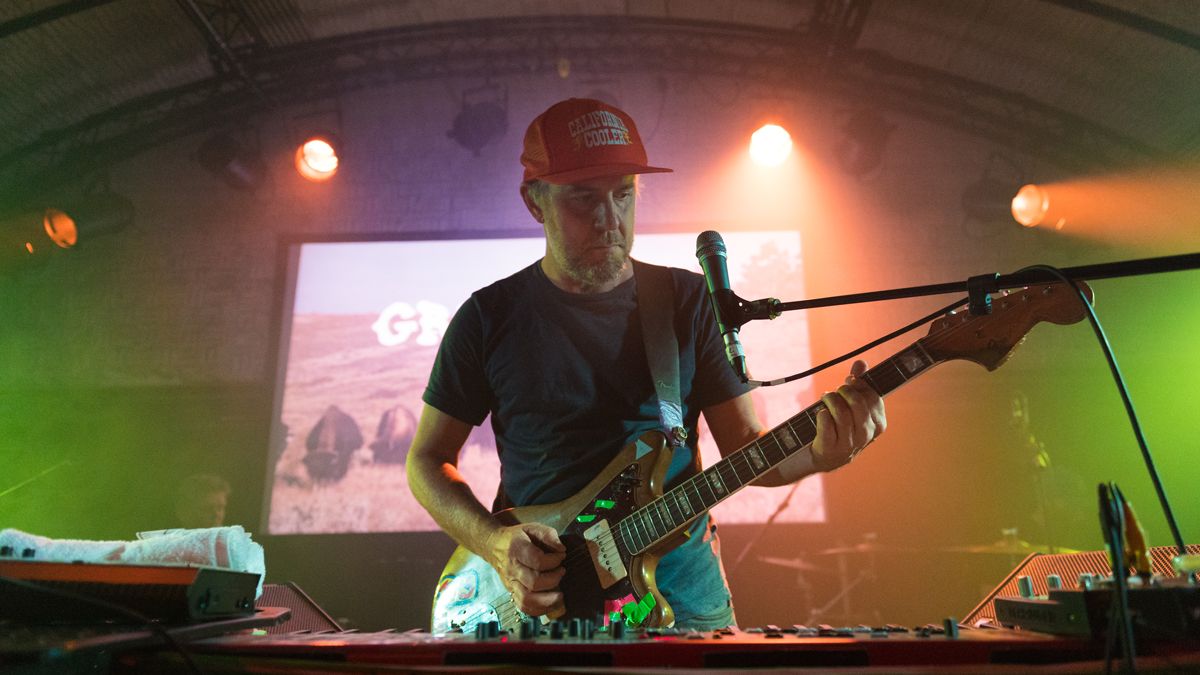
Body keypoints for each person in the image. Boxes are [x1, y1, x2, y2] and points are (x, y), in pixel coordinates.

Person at [407, 98, 886, 630]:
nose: (608, 219)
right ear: (535, 203)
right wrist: (494, 543)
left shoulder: (685, 301)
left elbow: (748, 447)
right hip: (542, 596)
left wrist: (820, 454)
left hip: (681, 594)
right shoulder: (488, 317)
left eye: (623, 194)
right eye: (582, 198)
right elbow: (427, 461)